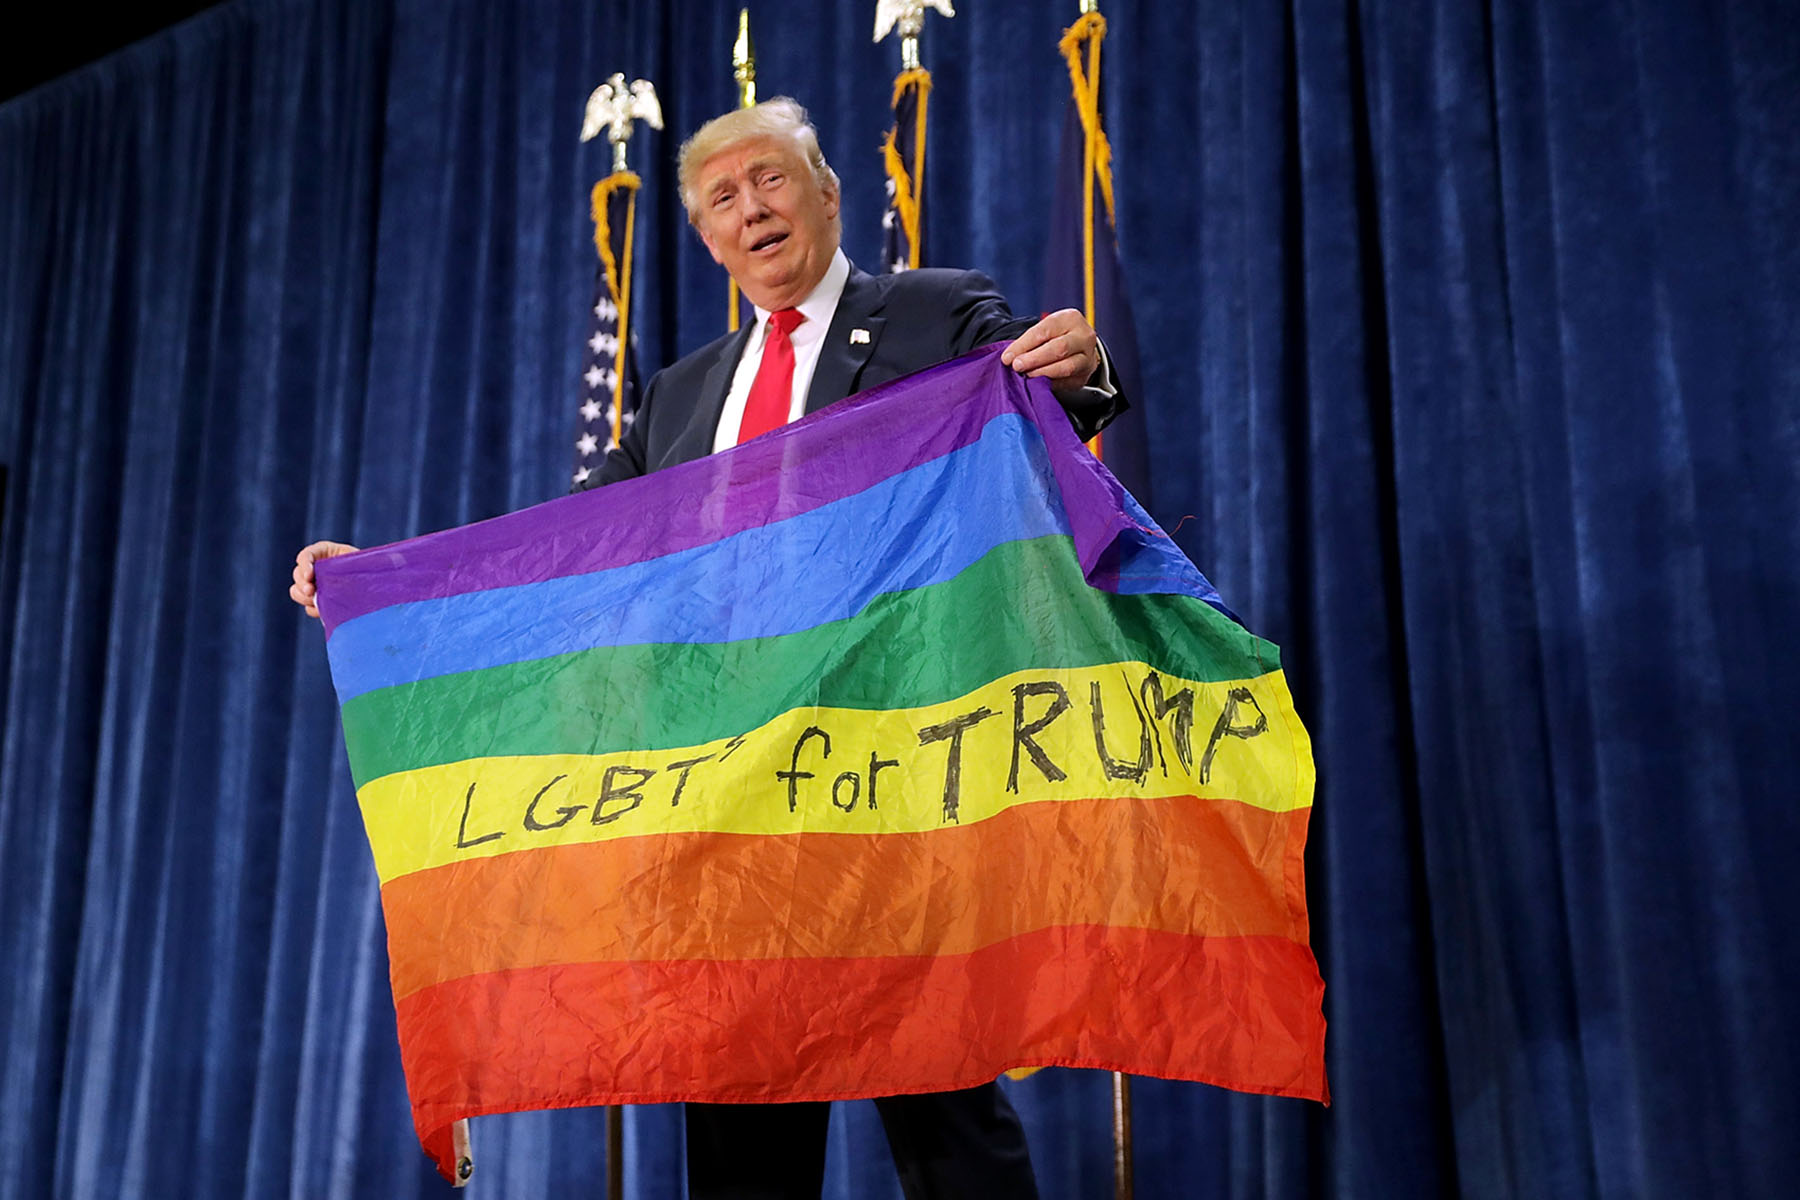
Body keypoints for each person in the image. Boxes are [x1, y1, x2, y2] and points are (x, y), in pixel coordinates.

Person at [291, 97, 1125, 1198]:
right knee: (740, 1122)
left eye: (772, 179)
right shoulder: (678, 396)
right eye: (723, 198)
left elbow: (1035, 401)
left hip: (887, 772)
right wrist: (395, 579)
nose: (753, 209)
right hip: (730, 799)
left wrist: (1078, 369)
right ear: (705, 235)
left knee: (942, 1100)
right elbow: (574, 545)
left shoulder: (936, 311)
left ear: (826, 191)